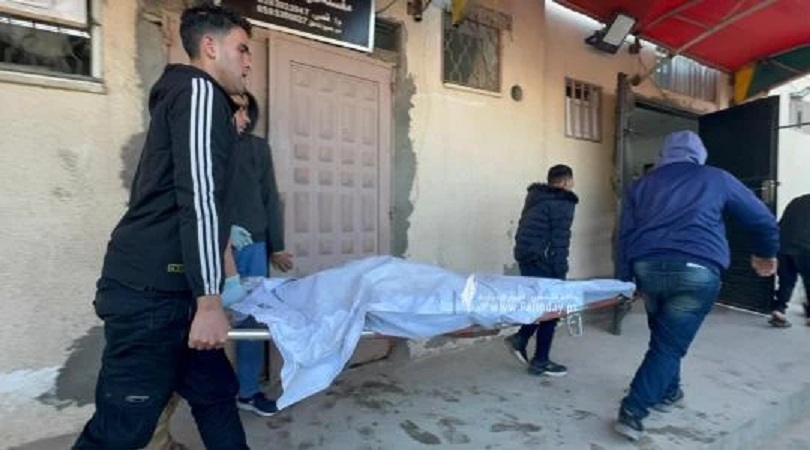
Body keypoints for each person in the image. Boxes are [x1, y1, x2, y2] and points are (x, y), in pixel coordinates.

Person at [73, 4, 253, 449]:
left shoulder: (200, 102)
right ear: (209, 46)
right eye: (242, 49)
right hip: (150, 296)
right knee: (121, 431)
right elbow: (199, 198)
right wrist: (210, 301)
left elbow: (207, 207)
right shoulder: (198, 91)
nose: (249, 62)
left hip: (178, 294)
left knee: (215, 397)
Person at [614, 130, 778, 441]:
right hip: (696, 271)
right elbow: (762, 219)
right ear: (699, 154)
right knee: (668, 344)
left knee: (664, 337)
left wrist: (625, 279)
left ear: (663, 154)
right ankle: (633, 409)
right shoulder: (716, 178)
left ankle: (669, 391)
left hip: (647, 268)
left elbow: (624, 235)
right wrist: (765, 253)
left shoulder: (642, 184)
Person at [226, 91, 294, 416]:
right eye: (235, 109)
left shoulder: (257, 148)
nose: (243, 116)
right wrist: (220, 232)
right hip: (210, 245)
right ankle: (203, 393)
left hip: (253, 246)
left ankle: (247, 391)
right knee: (203, 316)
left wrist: (276, 246)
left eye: (245, 110)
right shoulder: (202, 144)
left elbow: (269, 196)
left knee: (250, 320)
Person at [504, 164, 578, 377]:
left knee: (540, 305)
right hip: (544, 260)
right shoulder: (563, 202)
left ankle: (521, 338)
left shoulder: (536, 198)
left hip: (527, 257)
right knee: (552, 309)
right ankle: (540, 360)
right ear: (567, 182)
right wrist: (560, 272)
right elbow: (560, 242)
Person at [769, 193, 810, 328]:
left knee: (786, 281)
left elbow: (781, 223)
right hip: (806, 248)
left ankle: (779, 310)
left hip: (783, 246)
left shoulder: (796, 201)